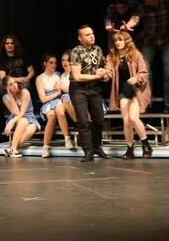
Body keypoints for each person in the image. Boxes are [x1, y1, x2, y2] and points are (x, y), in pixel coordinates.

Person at [104, 31, 153, 159]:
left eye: (120, 40)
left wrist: (136, 78)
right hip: (123, 92)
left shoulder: (136, 55)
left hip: (137, 91)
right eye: (116, 41)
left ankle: (146, 145)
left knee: (133, 117)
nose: (118, 43)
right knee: (126, 121)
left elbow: (144, 73)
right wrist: (104, 74)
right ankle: (130, 149)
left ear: (126, 41)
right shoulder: (112, 57)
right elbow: (108, 72)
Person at [69, 25, 111, 162]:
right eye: (87, 35)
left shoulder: (97, 49)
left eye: (92, 33)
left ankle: (97, 146)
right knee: (83, 121)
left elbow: (104, 66)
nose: (92, 36)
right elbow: (77, 76)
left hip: (94, 89)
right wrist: (97, 77)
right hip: (79, 89)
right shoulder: (76, 51)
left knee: (99, 120)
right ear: (80, 38)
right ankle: (88, 151)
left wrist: (105, 73)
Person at [35, 54, 75, 157]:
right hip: (48, 102)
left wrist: (59, 93)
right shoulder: (40, 78)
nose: (54, 65)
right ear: (45, 64)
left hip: (59, 101)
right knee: (52, 116)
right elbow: (43, 99)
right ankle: (45, 147)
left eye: (55, 63)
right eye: (51, 62)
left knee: (60, 112)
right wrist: (57, 93)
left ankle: (67, 139)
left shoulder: (58, 75)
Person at [1, 76, 40, 158]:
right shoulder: (5, 98)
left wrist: (11, 122)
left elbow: (22, 112)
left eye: (14, 82)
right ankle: (13, 150)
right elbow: (17, 112)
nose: (14, 85)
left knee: (30, 130)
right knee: (23, 121)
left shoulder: (24, 92)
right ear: (6, 87)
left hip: (29, 117)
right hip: (16, 118)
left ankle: (11, 149)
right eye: (11, 84)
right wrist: (10, 96)